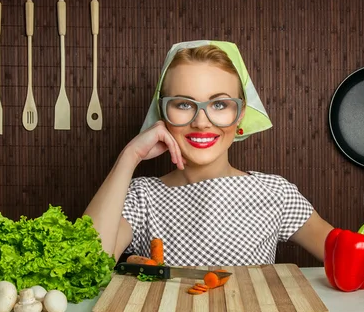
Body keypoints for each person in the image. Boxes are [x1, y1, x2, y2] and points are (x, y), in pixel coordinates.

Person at [84, 40, 334, 266]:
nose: (202, 122)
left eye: (220, 104)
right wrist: (130, 156)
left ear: (241, 113)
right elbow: (86, 265)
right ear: (162, 114)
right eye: (183, 104)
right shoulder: (141, 197)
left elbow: (346, 257)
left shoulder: (276, 194)